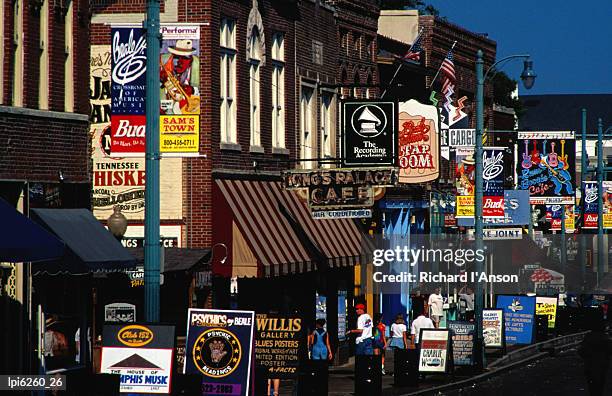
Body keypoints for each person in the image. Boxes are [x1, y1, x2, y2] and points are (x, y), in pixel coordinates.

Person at [160, 39, 200, 115]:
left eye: (184, 58)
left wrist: (192, 90)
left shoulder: (199, 65)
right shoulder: (163, 60)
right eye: (176, 57)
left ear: (190, 60)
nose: (179, 62)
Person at [578, 319, 612, 396]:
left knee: (592, 385)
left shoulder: (588, 337)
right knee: (600, 384)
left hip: (590, 364)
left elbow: (581, 351)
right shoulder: (606, 338)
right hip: (602, 364)